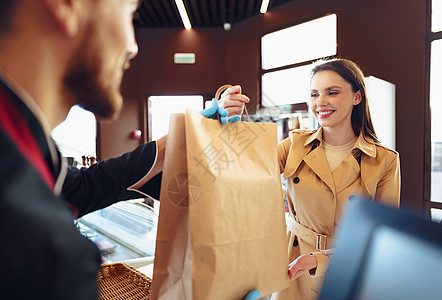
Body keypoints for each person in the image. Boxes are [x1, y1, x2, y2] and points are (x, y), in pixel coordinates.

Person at [0, 0, 250, 299]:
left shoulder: (25, 147)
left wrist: (188, 131)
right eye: (128, 13)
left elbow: (82, 187)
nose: (132, 46)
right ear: (66, 5)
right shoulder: (43, 250)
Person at [221, 58, 400, 300]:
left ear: (357, 96)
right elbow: (246, 174)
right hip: (293, 267)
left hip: (349, 269)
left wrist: (319, 260)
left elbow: (382, 240)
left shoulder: (385, 160)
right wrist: (233, 124)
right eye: (314, 94)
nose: (320, 102)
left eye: (332, 92)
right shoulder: (295, 144)